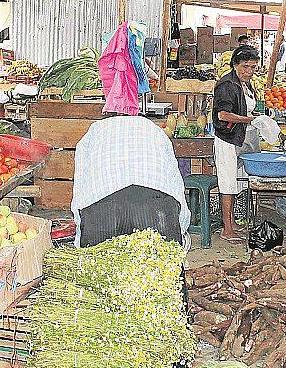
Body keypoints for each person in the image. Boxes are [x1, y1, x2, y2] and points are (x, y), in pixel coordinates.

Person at [71, 114, 191, 250]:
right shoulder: (155, 130)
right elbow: (175, 184)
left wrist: (80, 237)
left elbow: (80, 187)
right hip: (156, 208)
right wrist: (180, 230)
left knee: (99, 265)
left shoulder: (94, 132)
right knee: (165, 264)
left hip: (103, 209)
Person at [213, 45, 261, 243]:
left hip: (240, 138)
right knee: (227, 183)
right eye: (245, 67)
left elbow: (245, 108)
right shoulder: (227, 85)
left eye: (253, 67)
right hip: (227, 139)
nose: (249, 71)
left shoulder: (245, 84)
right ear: (235, 65)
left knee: (236, 181)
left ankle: (232, 223)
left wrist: (255, 117)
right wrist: (249, 120)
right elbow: (222, 115)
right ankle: (227, 229)